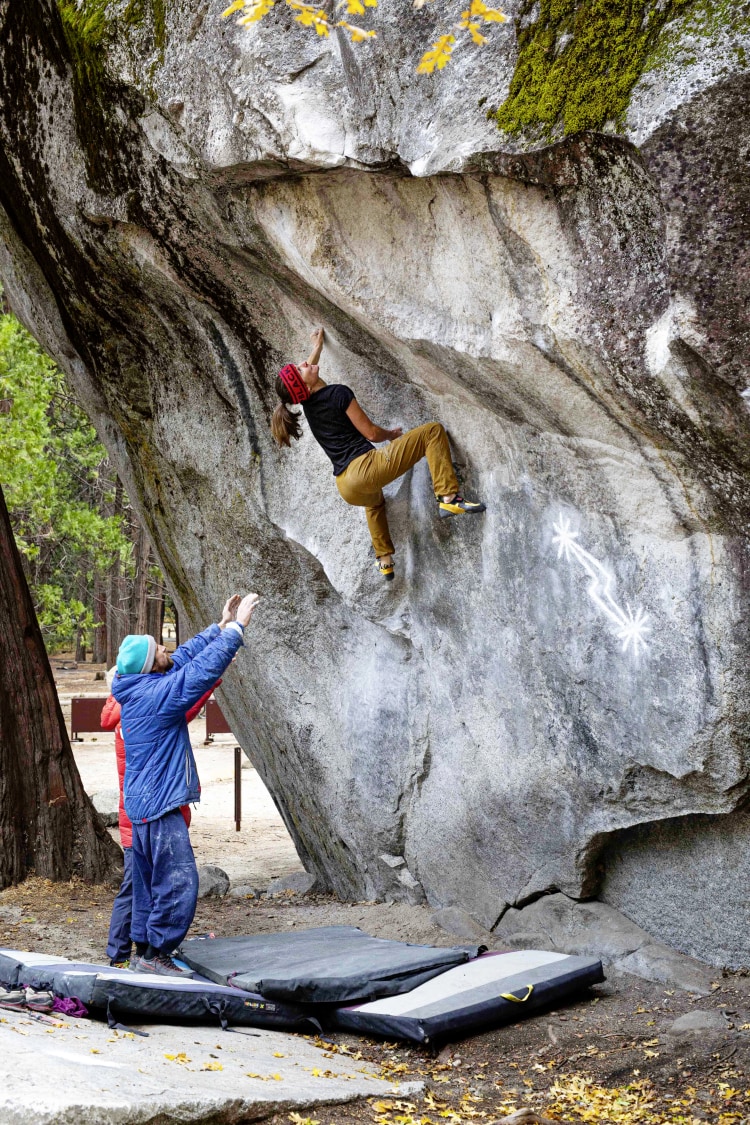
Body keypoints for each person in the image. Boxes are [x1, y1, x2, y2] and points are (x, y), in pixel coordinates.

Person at [112, 592, 259, 976]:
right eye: (158, 649)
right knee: (179, 882)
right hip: (159, 806)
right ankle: (157, 954)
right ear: (149, 666)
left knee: (149, 885)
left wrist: (220, 626)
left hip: (143, 807)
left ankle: (145, 953)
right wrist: (238, 630)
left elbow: (184, 658)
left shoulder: (141, 688)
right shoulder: (155, 696)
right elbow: (196, 674)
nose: (165, 648)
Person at [271, 328, 486, 581]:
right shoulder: (339, 393)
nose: (305, 363)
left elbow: (307, 375)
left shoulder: (306, 403)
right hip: (365, 469)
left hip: (346, 486)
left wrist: (317, 347)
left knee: (375, 503)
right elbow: (371, 433)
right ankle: (448, 497)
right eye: (300, 369)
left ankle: (384, 559)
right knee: (432, 432)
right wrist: (392, 436)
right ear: (302, 384)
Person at [100, 671, 221, 969]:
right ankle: (123, 955)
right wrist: (211, 676)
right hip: (150, 814)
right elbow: (186, 705)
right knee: (139, 887)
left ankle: (132, 954)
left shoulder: (121, 710)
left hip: (135, 813)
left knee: (139, 886)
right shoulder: (142, 709)